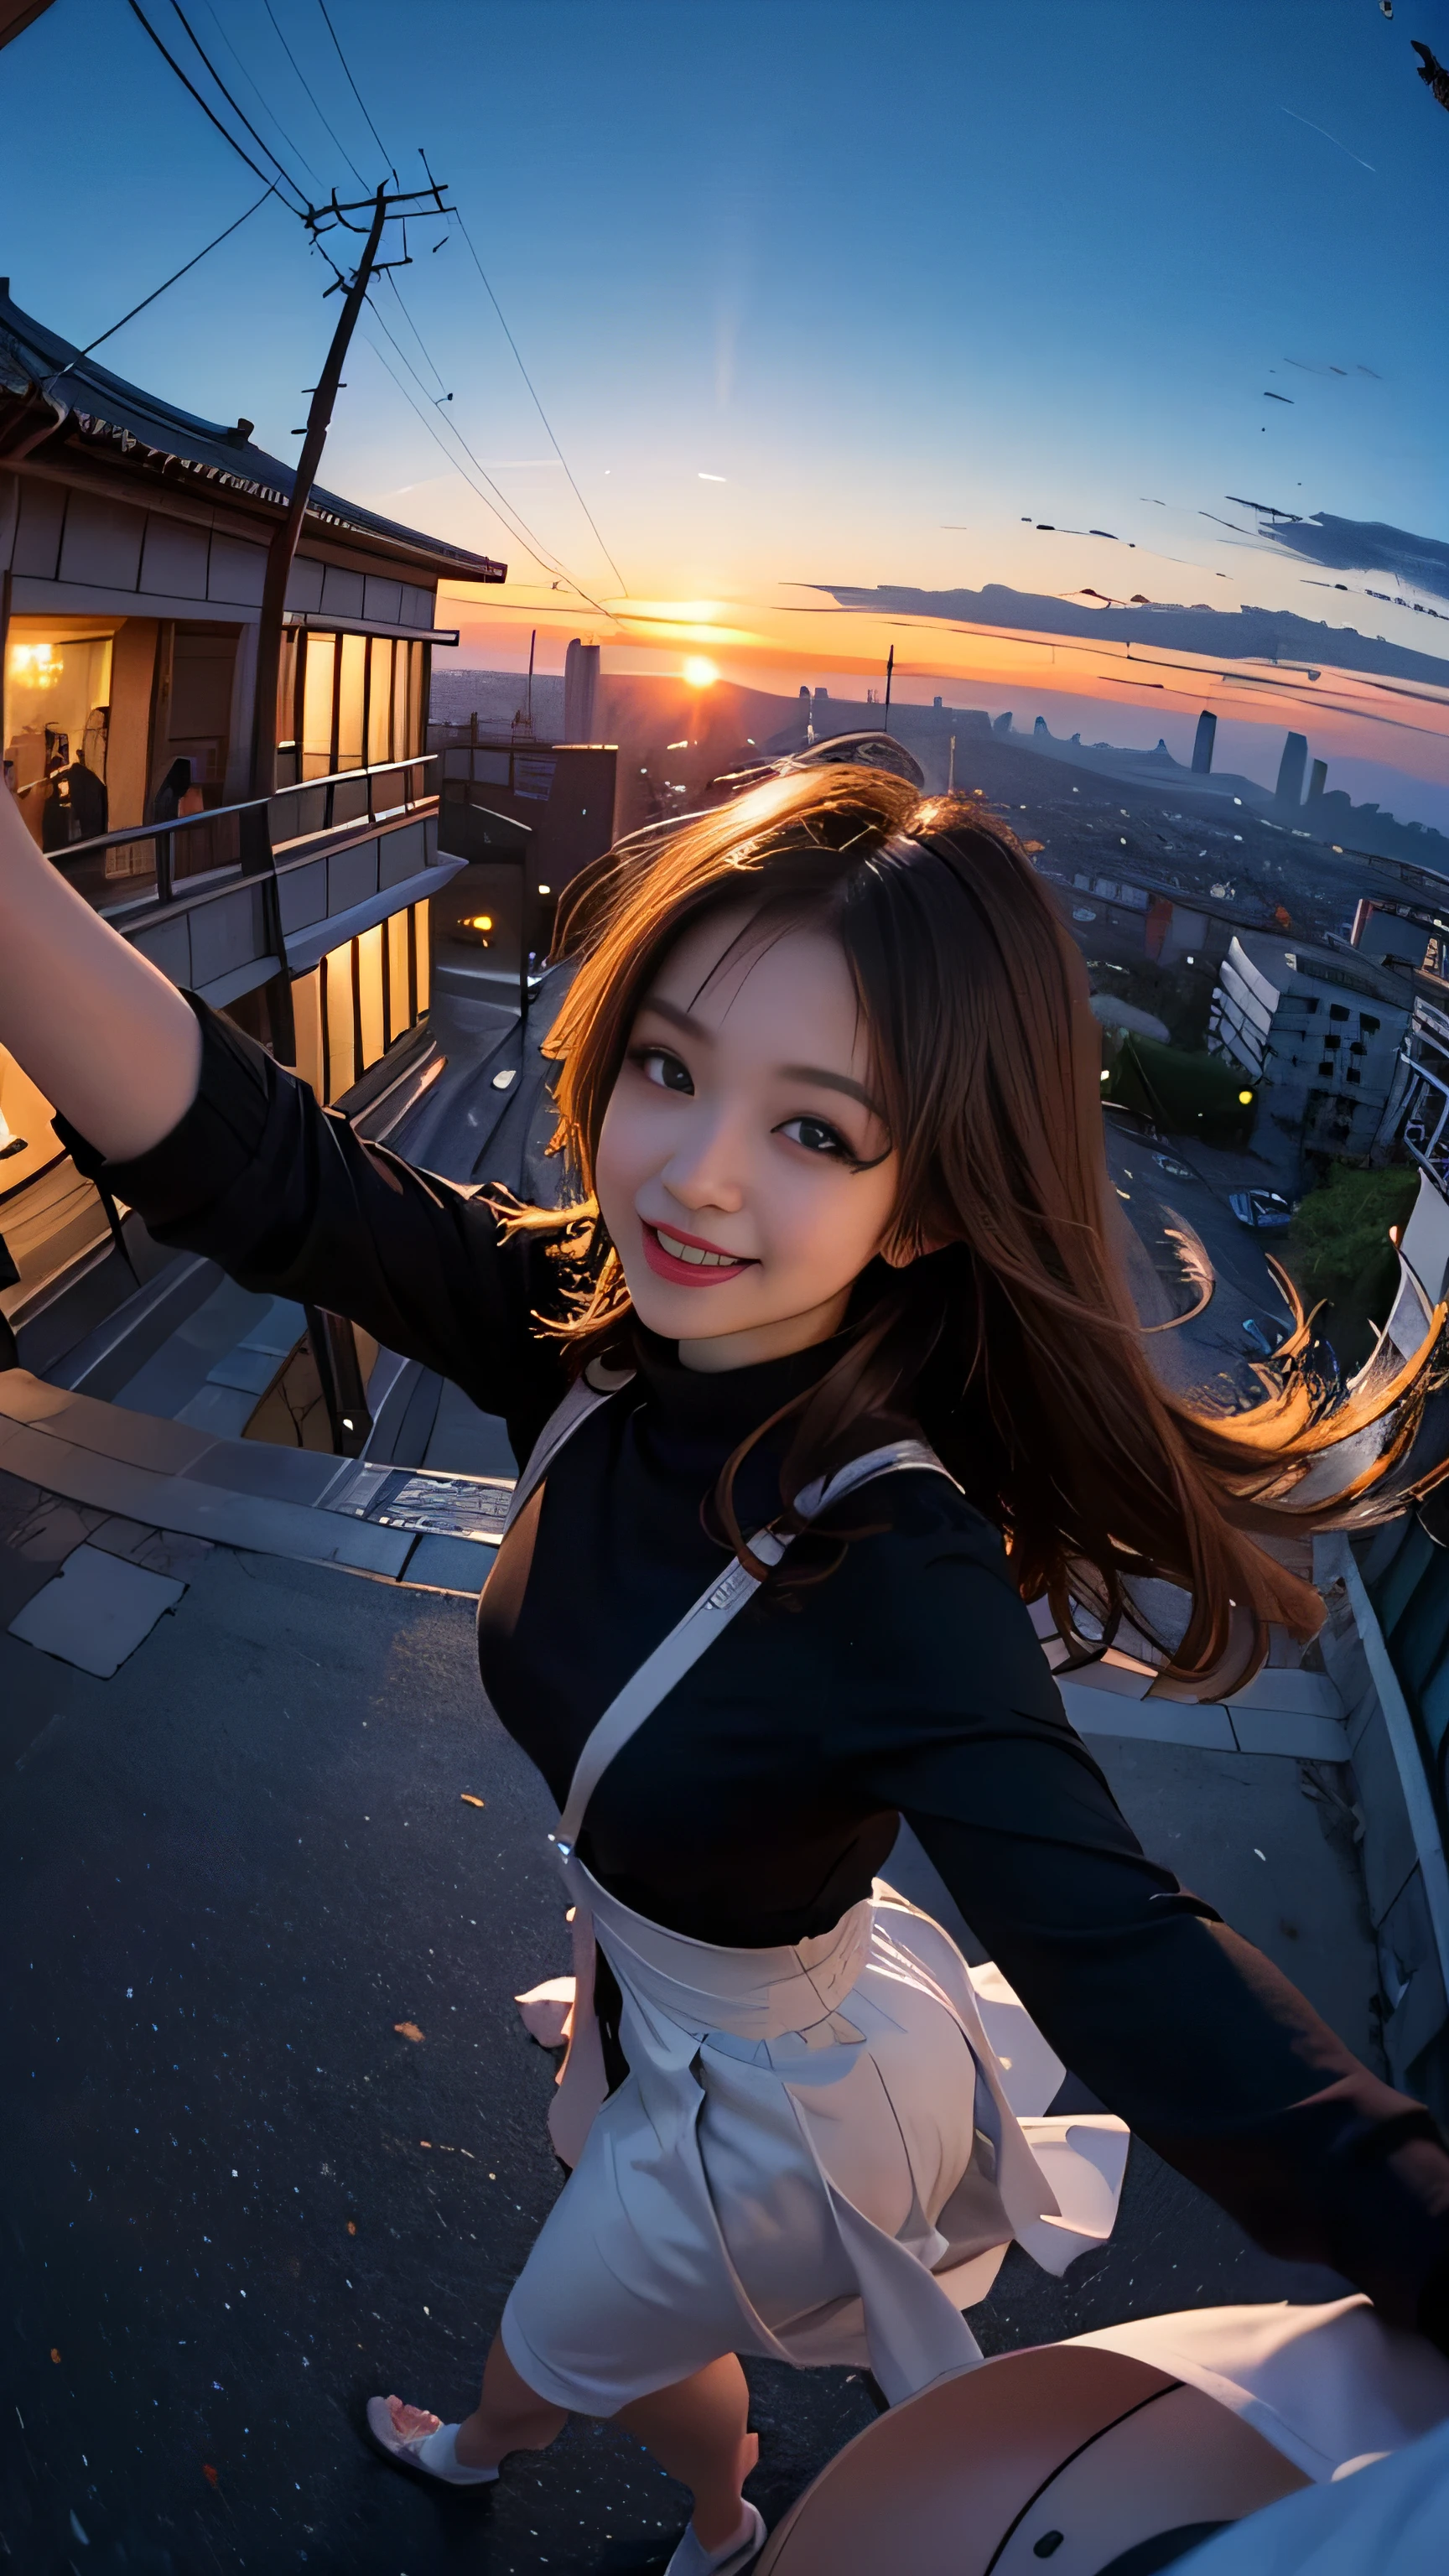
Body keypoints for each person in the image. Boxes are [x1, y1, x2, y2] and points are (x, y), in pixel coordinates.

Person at [4, 763, 1449, 2576]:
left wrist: (1423, 2224)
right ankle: (717, 2501)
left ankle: (515, 2456)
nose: (691, 1176)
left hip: (774, 2094)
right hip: (652, 2012)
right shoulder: (603, 1327)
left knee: (564, 2328)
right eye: (672, 1069)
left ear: (924, 1207)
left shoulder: (889, 1557)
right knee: (629, 2329)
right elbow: (281, 1179)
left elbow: (1125, 1944)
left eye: (817, 1133)